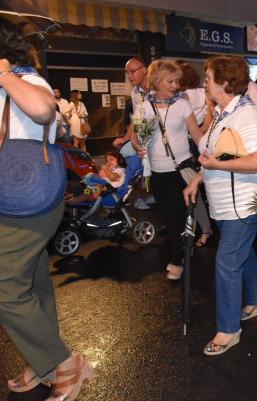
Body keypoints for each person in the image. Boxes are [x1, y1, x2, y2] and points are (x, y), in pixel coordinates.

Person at [0, 19, 94, 401]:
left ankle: (64, 362)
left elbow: (42, 111)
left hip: (32, 197)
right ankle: (43, 363)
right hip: (12, 197)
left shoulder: (27, 80)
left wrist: (4, 74)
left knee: (4, 285)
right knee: (33, 283)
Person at [183, 55, 257, 356]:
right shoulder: (221, 113)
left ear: (223, 81)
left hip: (242, 205)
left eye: (207, 77)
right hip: (224, 204)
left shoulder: (246, 114)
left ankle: (228, 330)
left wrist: (218, 165)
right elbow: (212, 153)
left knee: (227, 262)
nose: (204, 81)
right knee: (241, 255)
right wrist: (197, 179)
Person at [131, 59, 204, 280]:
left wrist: (211, 152)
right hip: (156, 172)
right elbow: (135, 138)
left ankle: (176, 261)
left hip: (180, 170)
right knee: (167, 216)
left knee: (174, 217)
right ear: (157, 81)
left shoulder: (182, 105)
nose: (175, 85)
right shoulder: (144, 106)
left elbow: (196, 134)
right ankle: (189, 239)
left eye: (176, 81)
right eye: (170, 81)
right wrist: (138, 148)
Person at [175, 60, 213, 247]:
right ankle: (200, 227)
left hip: (187, 143)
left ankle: (200, 228)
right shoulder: (203, 92)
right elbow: (209, 116)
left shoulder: (182, 96)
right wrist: (203, 131)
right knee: (198, 185)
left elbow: (182, 122)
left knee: (190, 187)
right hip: (201, 138)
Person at [113, 57, 148, 148]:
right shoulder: (135, 92)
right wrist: (125, 138)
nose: (129, 76)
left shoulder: (157, 88)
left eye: (132, 71)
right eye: (127, 72)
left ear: (144, 70)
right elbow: (137, 118)